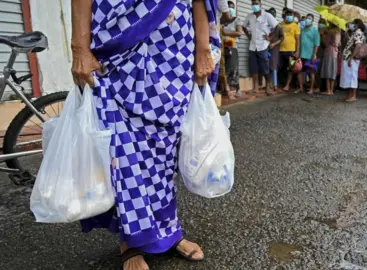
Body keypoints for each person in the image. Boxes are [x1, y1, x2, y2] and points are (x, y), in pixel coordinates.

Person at [70, 0, 216, 269]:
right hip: (118, 39)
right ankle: (131, 242)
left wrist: (203, 48)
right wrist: (79, 47)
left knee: (165, 149)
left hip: (174, 49)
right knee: (121, 146)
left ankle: (169, 232)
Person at [242, 0, 279, 94]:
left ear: (260, 5)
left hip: (263, 46)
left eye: (256, 4)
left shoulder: (267, 15)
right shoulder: (249, 16)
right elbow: (243, 27)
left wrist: (270, 37)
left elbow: (277, 27)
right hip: (252, 46)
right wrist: (248, 36)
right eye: (253, 4)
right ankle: (255, 88)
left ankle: (268, 87)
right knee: (254, 68)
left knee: (265, 67)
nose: (254, 5)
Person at [284, 13, 320, 95]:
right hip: (301, 54)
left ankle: (311, 89)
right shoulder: (302, 30)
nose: (308, 19)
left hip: (310, 55)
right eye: (307, 18)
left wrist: (314, 54)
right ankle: (301, 87)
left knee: (311, 73)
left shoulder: (315, 31)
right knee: (298, 71)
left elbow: (317, 44)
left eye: (310, 18)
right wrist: (297, 51)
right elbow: (299, 42)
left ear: (312, 20)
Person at [340, 19, 366, 102]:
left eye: (354, 24)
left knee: (352, 77)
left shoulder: (358, 33)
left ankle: (353, 95)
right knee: (348, 77)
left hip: (352, 58)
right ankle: (348, 95)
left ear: (357, 25)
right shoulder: (355, 33)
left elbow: (358, 46)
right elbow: (351, 42)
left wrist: (351, 57)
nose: (353, 25)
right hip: (348, 57)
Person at [222, 1, 243, 96]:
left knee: (233, 68)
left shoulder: (236, 20)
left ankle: (237, 89)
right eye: (228, 7)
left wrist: (226, 34)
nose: (230, 9)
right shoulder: (222, 20)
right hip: (222, 47)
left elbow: (239, 33)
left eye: (232, 7)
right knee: (224, 69)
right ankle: (225, 89)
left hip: (232, 47)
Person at [279, 9, 301, 91]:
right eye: (287, 14)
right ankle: (281, 84)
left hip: (291, 51)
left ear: (293, 16)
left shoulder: (296, 26)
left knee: (291, 68)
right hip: (281, 50)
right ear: (285, 15)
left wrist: (297, 51)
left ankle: (287, 85)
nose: (289, 16)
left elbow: (298, 40)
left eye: (290, 15)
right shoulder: (281, 24)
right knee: (281, 68)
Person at [266, 8, 284, 92]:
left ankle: (275, 85)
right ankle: (267, 84)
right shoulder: (265, 24)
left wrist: (274, 44)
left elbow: (282, 37)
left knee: (273, 67)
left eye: (272, 14)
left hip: (274, 48)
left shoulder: (278, 26)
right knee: (266, 66)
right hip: (265, 48)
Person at [320, 22, 341, 96]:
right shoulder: (338, 33)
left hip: (329, 52)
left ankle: (328, 90)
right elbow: (339, 44)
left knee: (327, 71)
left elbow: (326, 43)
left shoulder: (330, 32)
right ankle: (331, 90)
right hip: (335, 53)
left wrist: (322, 36)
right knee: (332, 72)